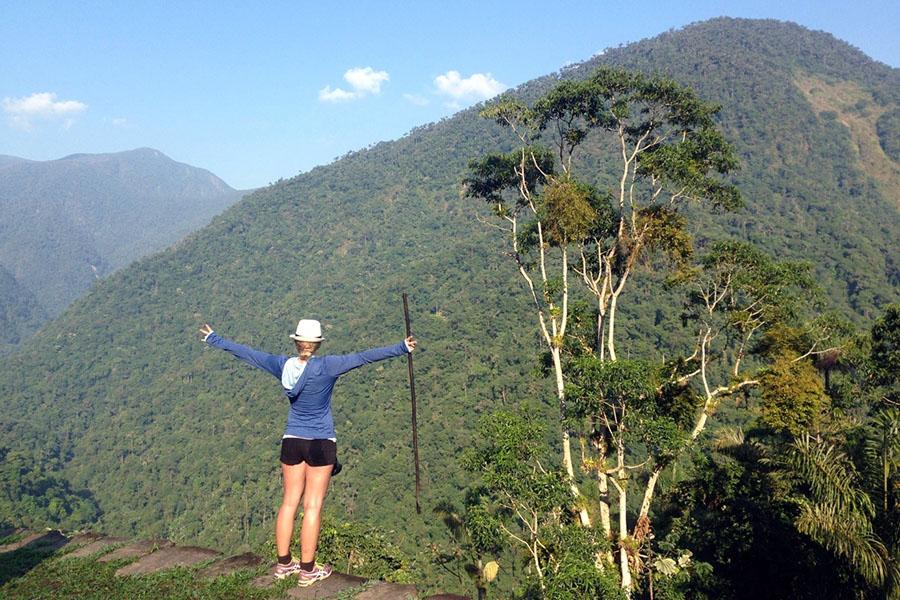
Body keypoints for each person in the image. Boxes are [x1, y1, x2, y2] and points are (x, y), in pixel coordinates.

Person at [199, 319, 416, 586]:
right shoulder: (328, 366)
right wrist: (401, 347)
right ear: (317, 344)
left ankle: (283, 565)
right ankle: (308, 570)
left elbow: (249, 354)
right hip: (321, 442)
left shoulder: (283, 366)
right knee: (312, 505)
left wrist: (215, 339)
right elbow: (364, 357)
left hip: (292, 439)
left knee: (289, 502)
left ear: (296, 342)